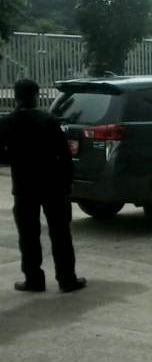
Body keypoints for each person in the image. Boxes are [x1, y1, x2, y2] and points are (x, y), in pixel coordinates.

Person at [0, 79, 86, 293]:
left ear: (17, 97)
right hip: (53, 185)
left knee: (28, 235)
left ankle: (34, 280)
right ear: (36, 95)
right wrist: (67, 182)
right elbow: (65, 155)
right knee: (60, 234)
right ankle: (67, 280)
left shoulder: (8, 122)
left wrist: (16, 157)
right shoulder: (48, 120)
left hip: (24, 186)